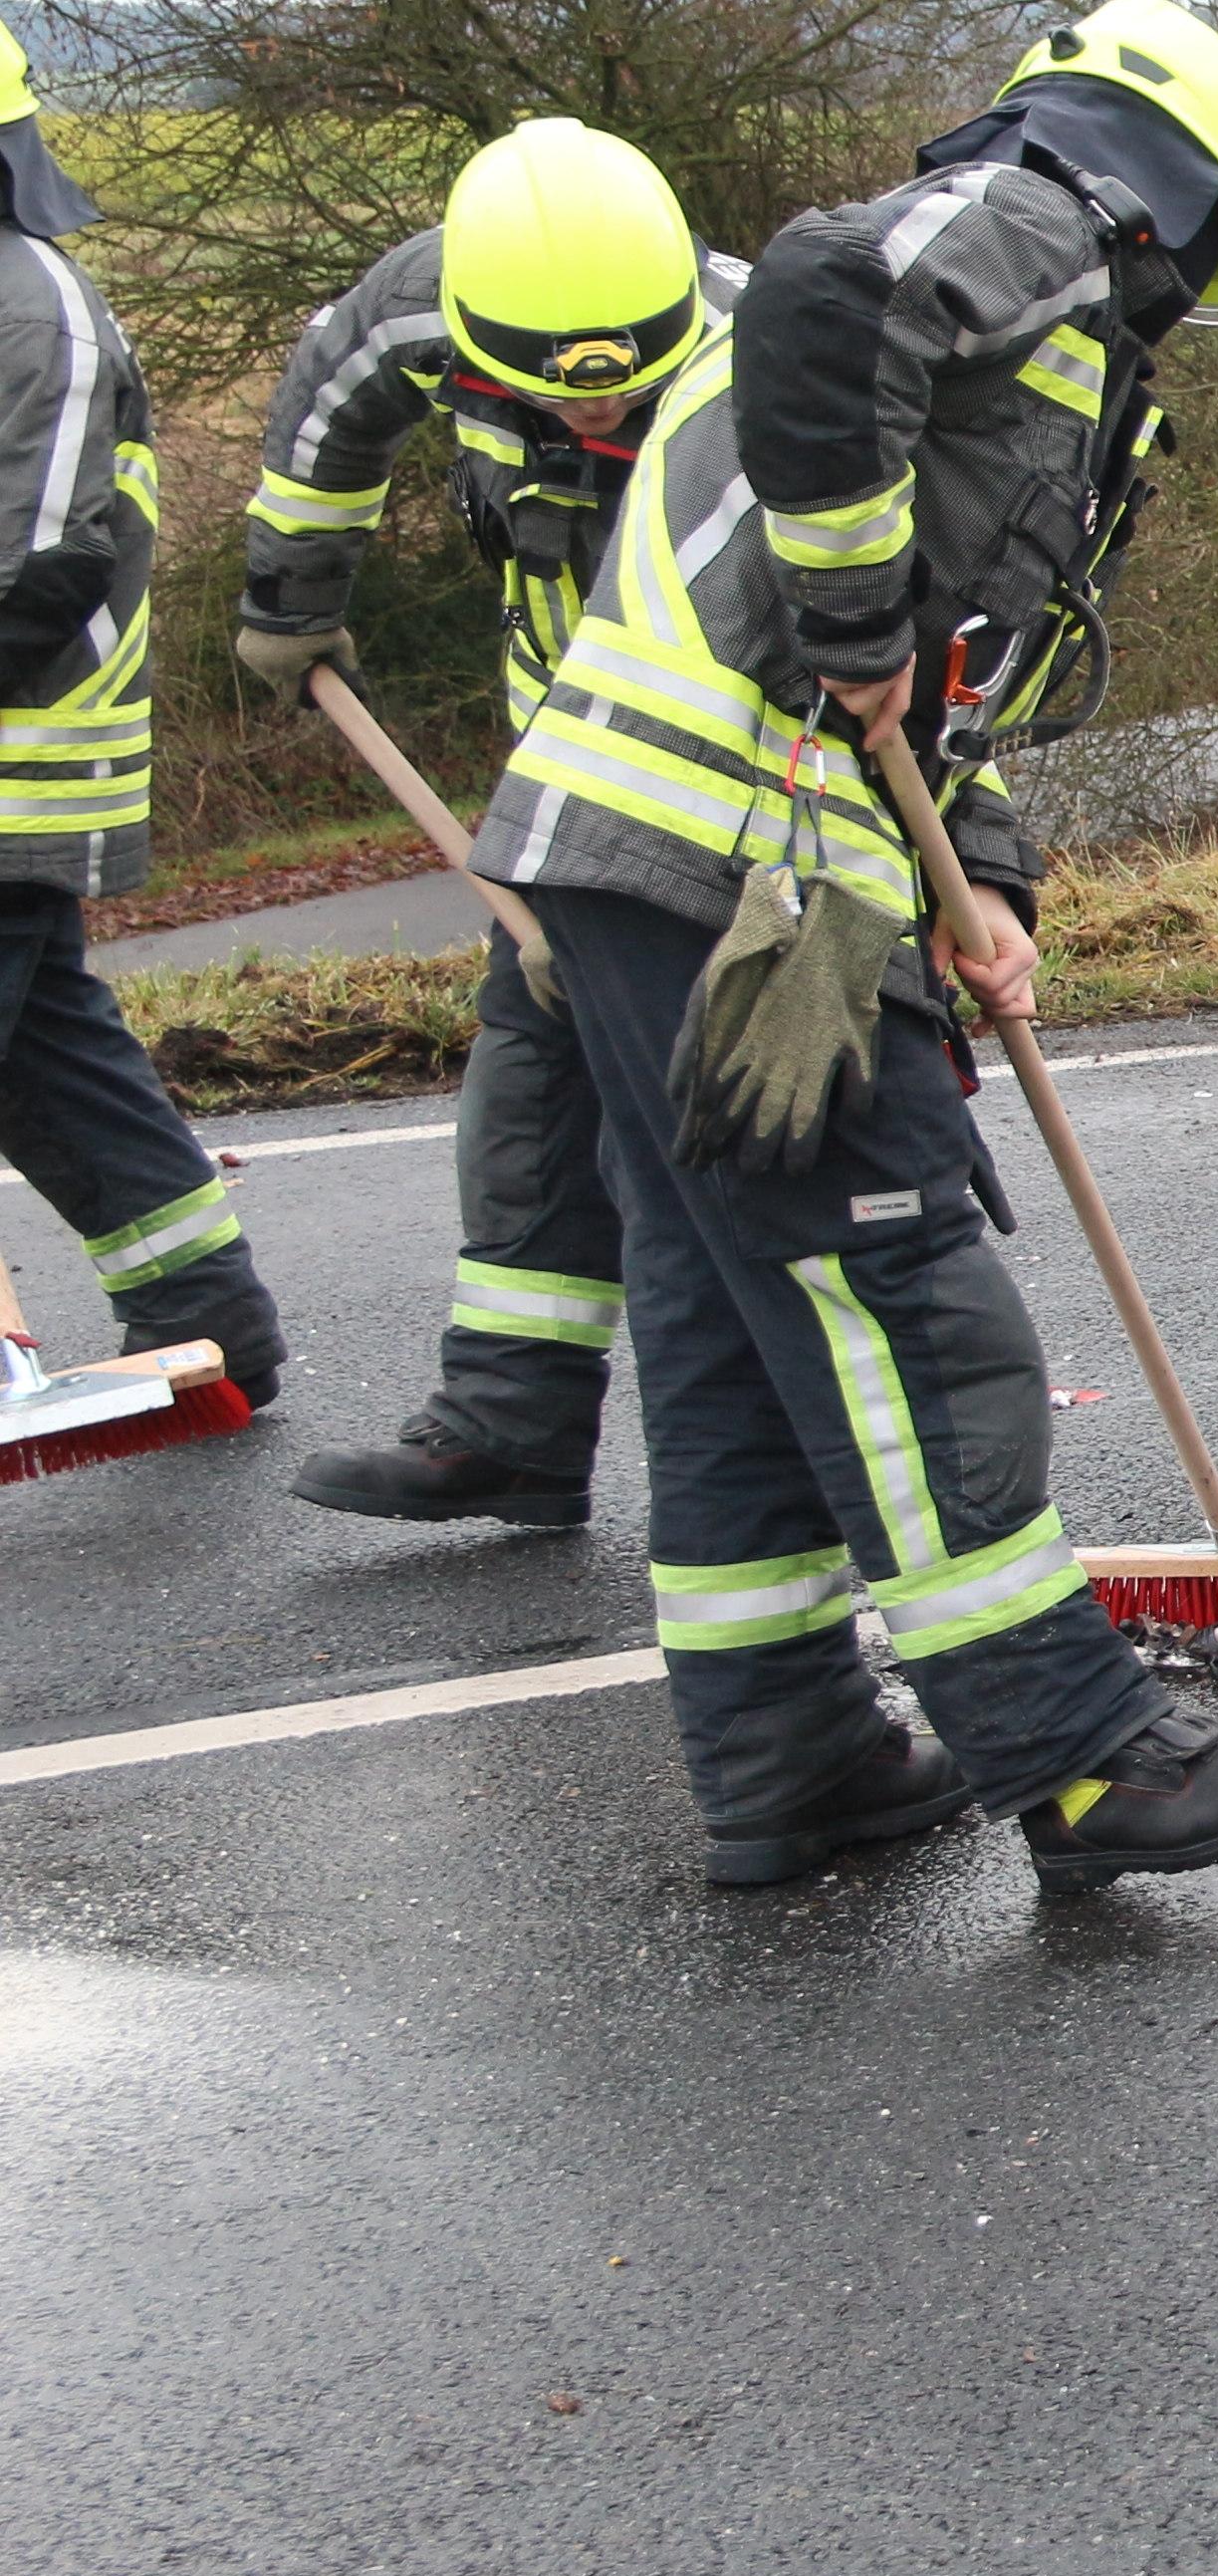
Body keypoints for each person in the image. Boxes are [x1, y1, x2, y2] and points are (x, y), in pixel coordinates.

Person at [466, 0, 1218, 1890]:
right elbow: (816, 297)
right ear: (1171, 192)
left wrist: (990, 883)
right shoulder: (1034, 216)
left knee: (727, 1322)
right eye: (1206, 260)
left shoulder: (1021, 289)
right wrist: (857, 613)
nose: (1184, 301)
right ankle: (1082, 1755)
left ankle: (791, 1763)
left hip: (665, 867)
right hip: (732, 874)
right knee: (897, 1297)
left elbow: (934, 699)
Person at [236, 121, 742, 1531]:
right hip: (557, 786)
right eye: (556, 404)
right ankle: (512, 1423)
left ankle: (812, 1455)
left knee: (733, 1127)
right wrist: (290, 594)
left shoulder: (771, 353)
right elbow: (331, 400)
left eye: (621, 400)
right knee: (529, 1085)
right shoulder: (431, 305)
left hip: (740, 806)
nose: (591, 427)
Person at [0, 12, 288, 1410]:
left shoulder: (29, 300)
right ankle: (203, 1309)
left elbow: (42, 559)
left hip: (18, 753)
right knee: (45, 1050)